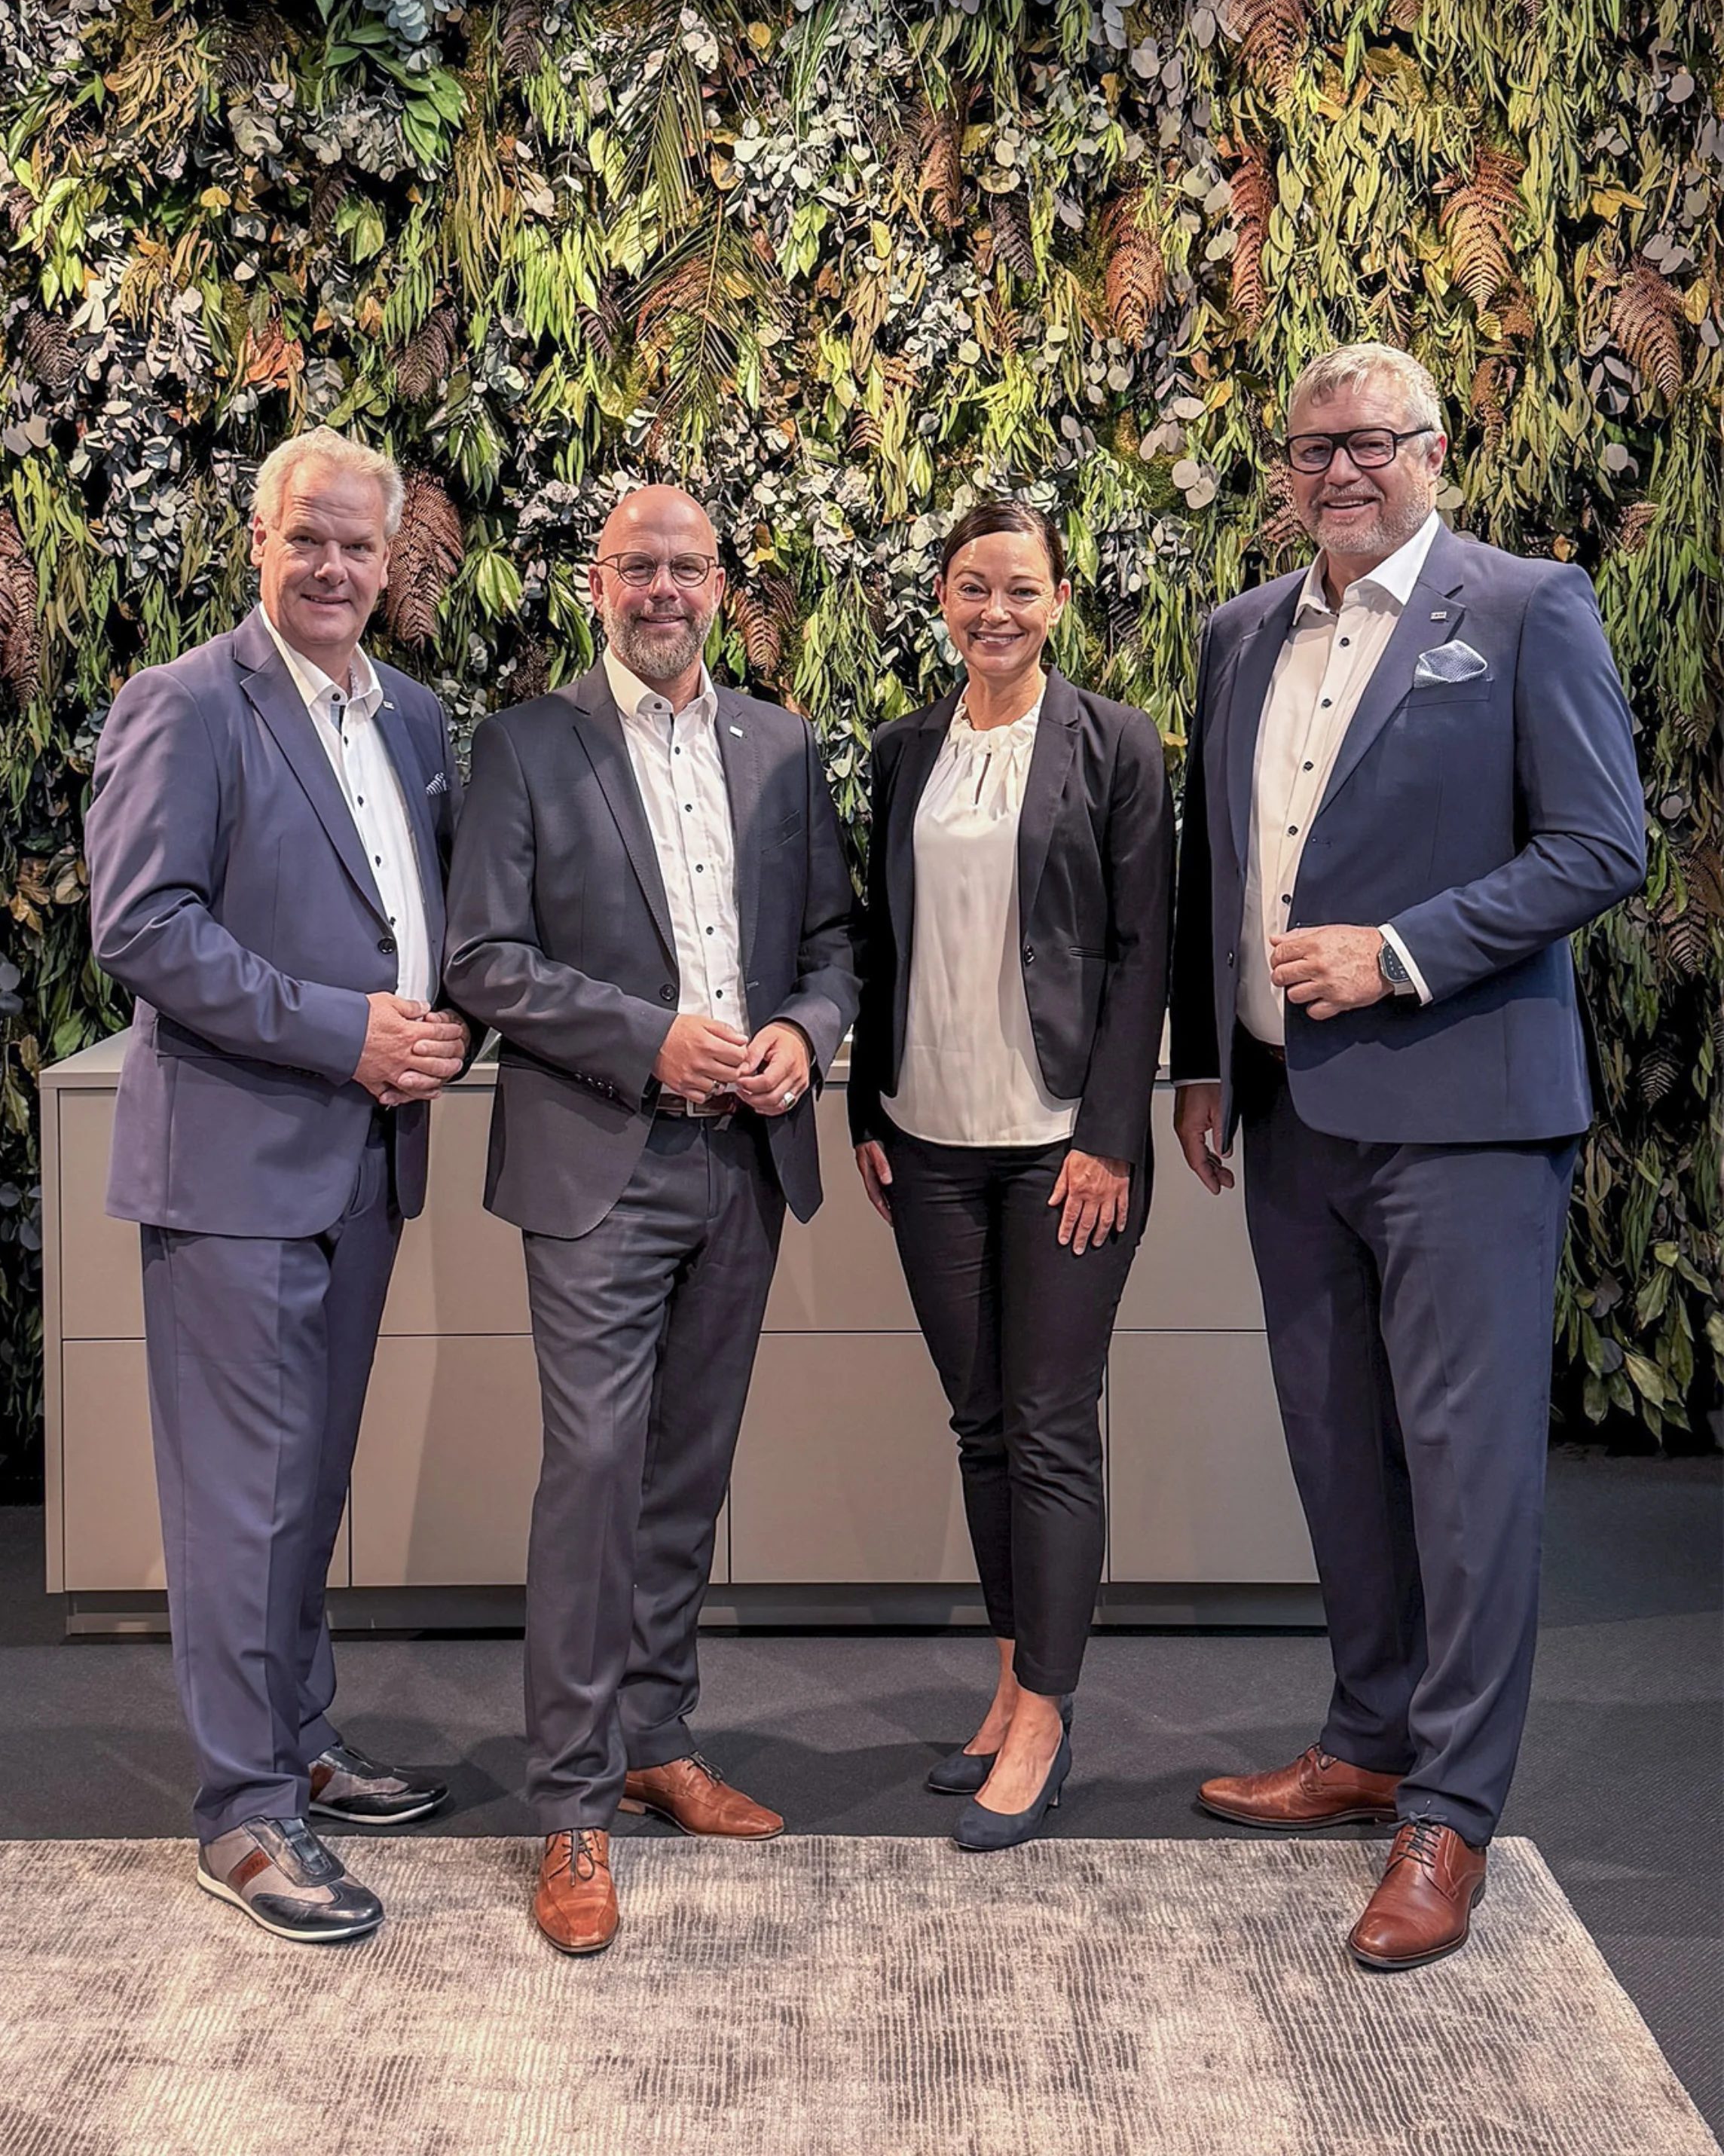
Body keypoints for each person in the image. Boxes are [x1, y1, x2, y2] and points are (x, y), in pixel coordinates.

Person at [1169, 343, 1645, 1968]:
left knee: (1466, 1471)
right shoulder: (1239, 633)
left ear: (1435, 452)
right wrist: (1207, 1060)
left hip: (1467, 1117)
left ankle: (1451, 1810)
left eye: (1374, 442)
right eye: (1314, 447)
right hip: (1290, 1117)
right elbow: (1219, 865)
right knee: (1335, 1448)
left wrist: (1401, 952)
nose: (1342, 470)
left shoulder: (1524, 610)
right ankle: (1368, 1740)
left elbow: (1602, 843)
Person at [442, 484, 858, 1955]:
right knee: (596, 1470)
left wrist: (805, 1033)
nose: (663, 589)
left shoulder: (780, 745)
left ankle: (656, 1738)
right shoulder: (525, 745)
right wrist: (649, 1038)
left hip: (744, 1162)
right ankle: (571, 1804)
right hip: (598, 1167)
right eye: (638, 566)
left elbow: (831, 943)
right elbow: (483, 958)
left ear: (722, 584)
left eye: (688, 567)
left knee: (686, 1468)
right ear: (596, 582)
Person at [85, 430, 474, 1943]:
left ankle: (299, 1738)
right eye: (307, 537)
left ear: (391, 563)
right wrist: (344, 1031)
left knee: (305, 1489)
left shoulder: (413, 716)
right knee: (238, 1501)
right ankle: (243, 1813)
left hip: (366, 1164)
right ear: (258, 540)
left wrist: (447, 1020)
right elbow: (144, 925)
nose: (332, 567)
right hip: (235, 1167)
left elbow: (420, 919)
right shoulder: (185, 703)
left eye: (358, 546)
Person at [848, 499, 1174, 1852]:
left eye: (1022, 589)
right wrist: (865, 1106)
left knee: (1048, 1426)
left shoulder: (1117, 744)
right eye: (973, 586)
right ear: (942, 598)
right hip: (925, 1136)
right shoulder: (903, 750)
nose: (997, 611)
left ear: (1058, 600)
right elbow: (880, 937)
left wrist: (1110, 1133)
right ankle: (1006, 1683)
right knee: (980, 1423)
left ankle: (1046, 1712)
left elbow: (1145, 949)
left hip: (1060, 1144)